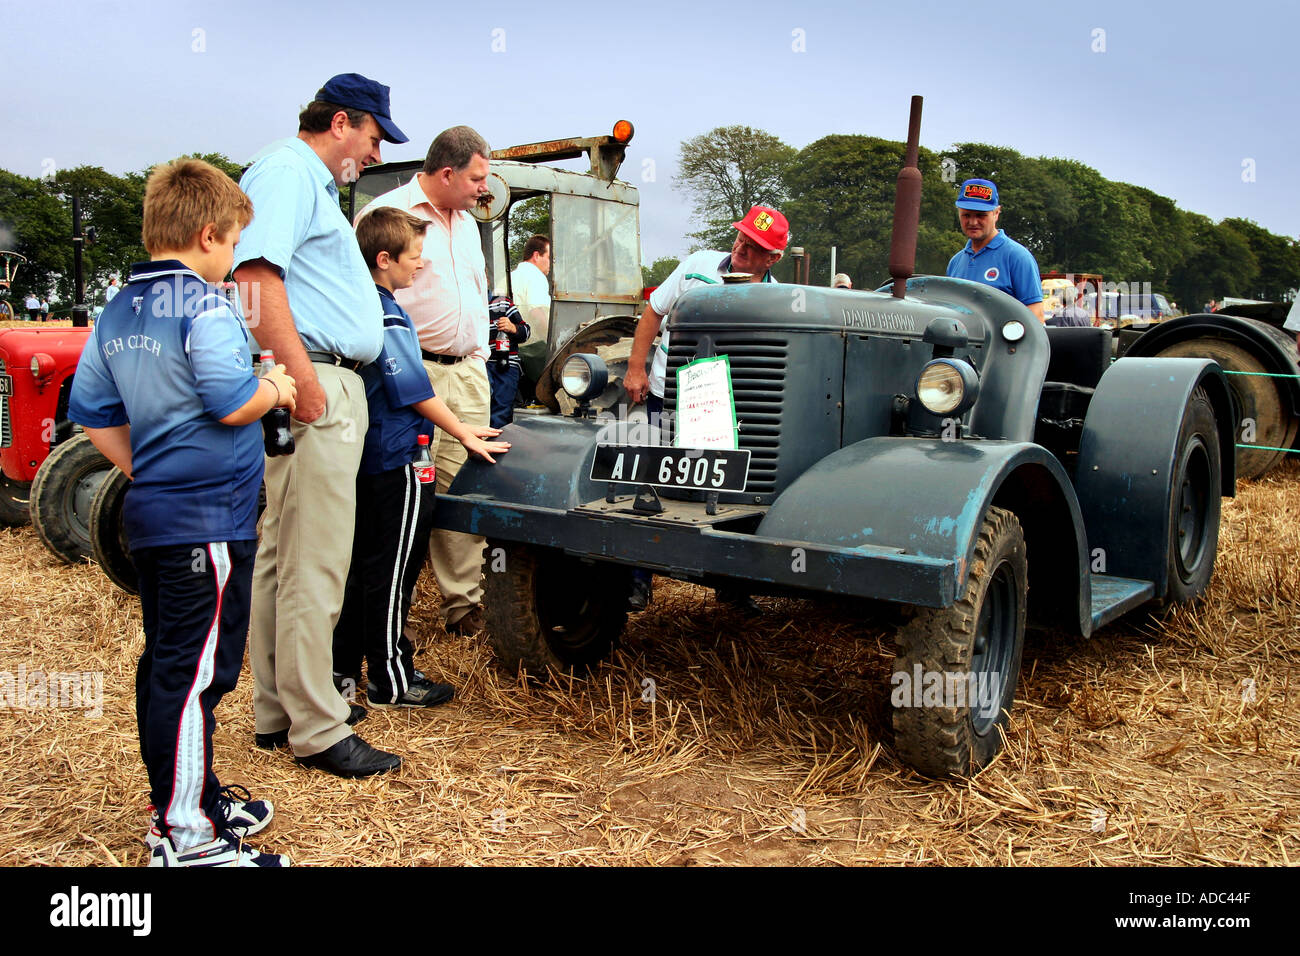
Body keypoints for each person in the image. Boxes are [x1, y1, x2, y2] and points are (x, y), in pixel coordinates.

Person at [68, 158, 296, 866]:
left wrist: (147, 471)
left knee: (170, 664)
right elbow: (230, 402)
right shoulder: (205, 305)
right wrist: (276, 387)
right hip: (209, 521)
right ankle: (186, 836)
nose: (233, 260)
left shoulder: (118, 306)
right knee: (196, 674)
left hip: (157, 516)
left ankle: (190, 798)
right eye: (233, 244)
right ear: (207, 236)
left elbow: (93, 412)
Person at [233, 73, 409, 779]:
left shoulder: (302, 179)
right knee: (318, 557)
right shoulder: (289, 172)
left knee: (285, 552)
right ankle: (317, 726)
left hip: (317, 375)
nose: (375, 154)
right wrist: (304, 382)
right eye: (373, 137)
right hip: (319, 379)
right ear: (341, 122)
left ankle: (280, 710)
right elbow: (253, 278)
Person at [334, 208, 510, 711]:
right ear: (384, 259)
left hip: (368, 452)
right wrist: (462, 431)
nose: (420, 265)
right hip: (399, 454)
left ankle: (342, 669)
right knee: (394, 570)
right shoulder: (388, 314)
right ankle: (391, 679)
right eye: (414, 256)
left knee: (361, 566)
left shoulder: (358, 304)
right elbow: (412, 388)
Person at [355, 126, 494, 637]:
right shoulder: (386, 215)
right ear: (447, 173)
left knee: (465, 484)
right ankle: (395, 614)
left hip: (467, 372)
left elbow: (476, 293)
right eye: (476, 178)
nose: (484, 188)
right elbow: (363, 298)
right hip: (410, 374)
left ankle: (463, 605)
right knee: (401, 490)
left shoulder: (468, 224)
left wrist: (479, 354)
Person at [623, 205, 789, 611]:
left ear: (773, 258)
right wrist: (635, 367)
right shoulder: (697, 266)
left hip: (728, 409)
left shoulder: (777, 298)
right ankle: (638, 580)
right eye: (741, 238)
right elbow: (654, 310)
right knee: (653, 481)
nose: (741, 248)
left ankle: (732, 584)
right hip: (668, 394)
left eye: (754, 247)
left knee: (733, 489)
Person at [946, 179, 1044, 322]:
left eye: (981, 215)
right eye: (966, 215)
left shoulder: (1017, 257)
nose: (973, 222)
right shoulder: (955, 262)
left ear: (996, 213)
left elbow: (1036, 314)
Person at [510, 235, 552, 385]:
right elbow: (537, 313)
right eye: (549, 257)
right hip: (533, 353)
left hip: (512, 352)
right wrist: (553, 345)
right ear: (536, 256)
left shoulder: (511, 276)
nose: (551, 263)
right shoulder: (536, 276)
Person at [486, 294, 530, 428]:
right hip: (478, 363)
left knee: (501, 412)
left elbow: (526, 332)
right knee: (480, 408)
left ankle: (497, 439)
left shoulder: (502, 303)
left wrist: (512, 327)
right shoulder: (468, 304)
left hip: (506, 364)